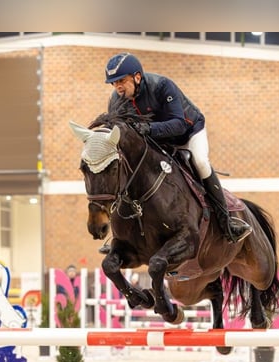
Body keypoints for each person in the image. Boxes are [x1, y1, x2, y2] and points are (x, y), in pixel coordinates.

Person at [98, 52, 251, 255]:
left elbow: (179, 124)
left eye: (122, 81)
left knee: (201, 162)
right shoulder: (116, 100)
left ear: (137, 77)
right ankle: (122, 236)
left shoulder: (162, 86)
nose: (118, 87)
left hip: (188, 133)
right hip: (157, 140)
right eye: (114, 83)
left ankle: (226, 222)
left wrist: (149, 129)